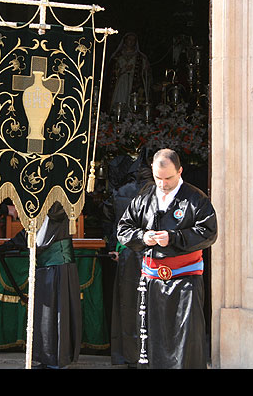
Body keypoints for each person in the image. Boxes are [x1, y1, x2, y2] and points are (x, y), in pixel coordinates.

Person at [117, 148, 217, 369]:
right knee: (152, 337)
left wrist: (174, 237)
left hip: (185, 280)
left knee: (185, 338)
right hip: (152, 281)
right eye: (158, 178)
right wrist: (143, 236)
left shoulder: (196, 199)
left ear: (180, 171)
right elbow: (123, 229)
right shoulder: (144, 198)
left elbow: (209, 233)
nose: (162, 184)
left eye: (169, 178)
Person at [0, 202, 82, 369]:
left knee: (56, 314)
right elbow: (32, 230)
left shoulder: (58, 203)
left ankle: (55, 361)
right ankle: (47, 359)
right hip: (45, 266)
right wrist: (8, 245)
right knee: (44, 316)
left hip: (58, 264)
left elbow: (41, 235)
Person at [105, 152, 152, 368]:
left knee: (128, 304)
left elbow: (113, 221)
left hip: (127, 253)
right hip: (153, 254)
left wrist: (114, 247)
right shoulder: (160, 192)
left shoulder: (121, 192)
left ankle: (128, 355)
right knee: (153, 305)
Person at [105, 32, 151, 113]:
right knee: (120, 101)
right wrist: (123, 70)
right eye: (129, 39)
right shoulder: (117, 56)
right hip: (120, 83)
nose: (131, 41)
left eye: (133, 40)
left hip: (134, 83)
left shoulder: (140, 57)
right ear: (125, 41)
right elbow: (111, 73)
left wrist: (146, 69)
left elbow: (146, 74)